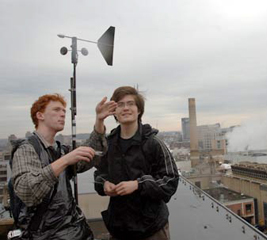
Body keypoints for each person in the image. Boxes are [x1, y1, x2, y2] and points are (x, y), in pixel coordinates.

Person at [11, 94, 104, 240]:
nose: (62, 114)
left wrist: (99, 120)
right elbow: (28, 192)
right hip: (42, 235)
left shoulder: (60, 149)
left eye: (64, 111)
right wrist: (65, 160)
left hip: (72, 231)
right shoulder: (26, 149)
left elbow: (87, 157)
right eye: (56, 110)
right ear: (40, 115)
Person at [93, 86, 179, 240]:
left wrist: (139, 184)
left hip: (151, 229)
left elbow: (171, 181)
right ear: (114, 111)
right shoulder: (109, 144)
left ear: (139, 110)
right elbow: (99, 174)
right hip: (119, 229)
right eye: (120, 104)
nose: (125, 108)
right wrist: (104, 183)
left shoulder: (153, 144)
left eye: (130, 103)